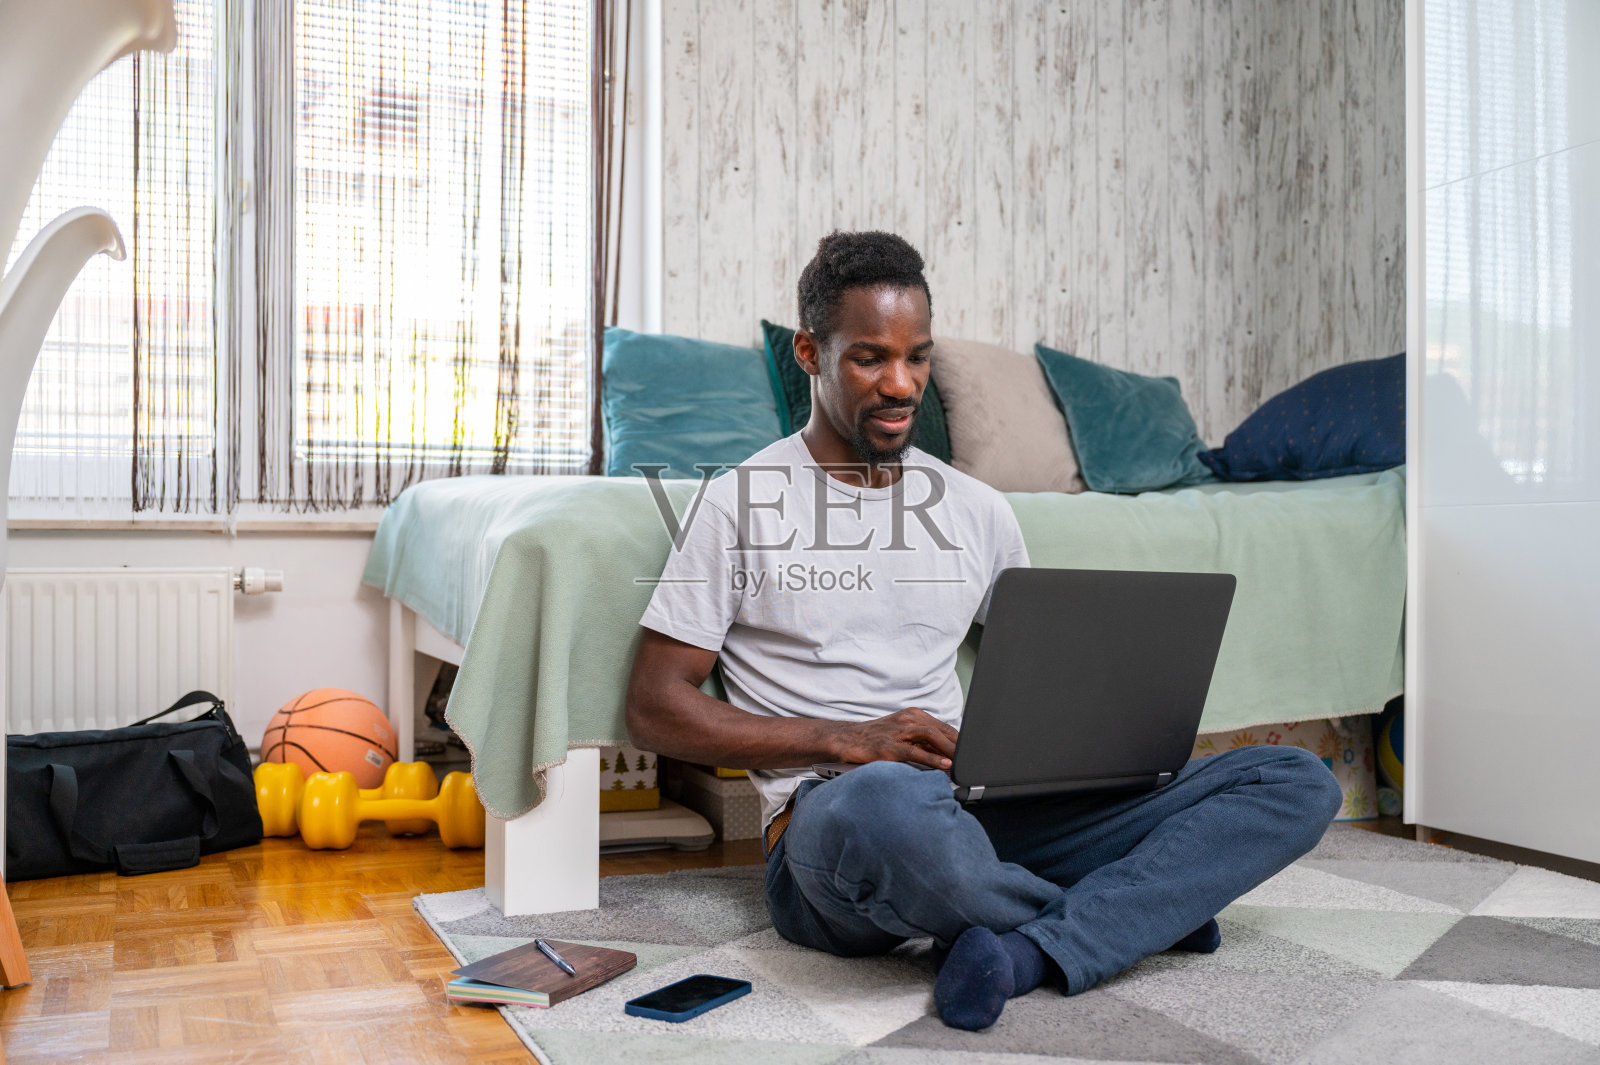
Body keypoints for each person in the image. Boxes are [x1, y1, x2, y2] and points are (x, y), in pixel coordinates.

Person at [625, 230, 1342, 1031]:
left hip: (980, 811)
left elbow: (1038, 679)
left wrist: (1090, 751)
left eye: (917, 357)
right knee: (887, 807)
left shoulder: (975, 508)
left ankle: (1029, 946)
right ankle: (1136, 916)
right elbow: (655, 706)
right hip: (836, 823)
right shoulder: (736, 503)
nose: (901, 384)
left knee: (1294, 781)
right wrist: (849, 740)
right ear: (808, 353)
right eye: (869, 359)